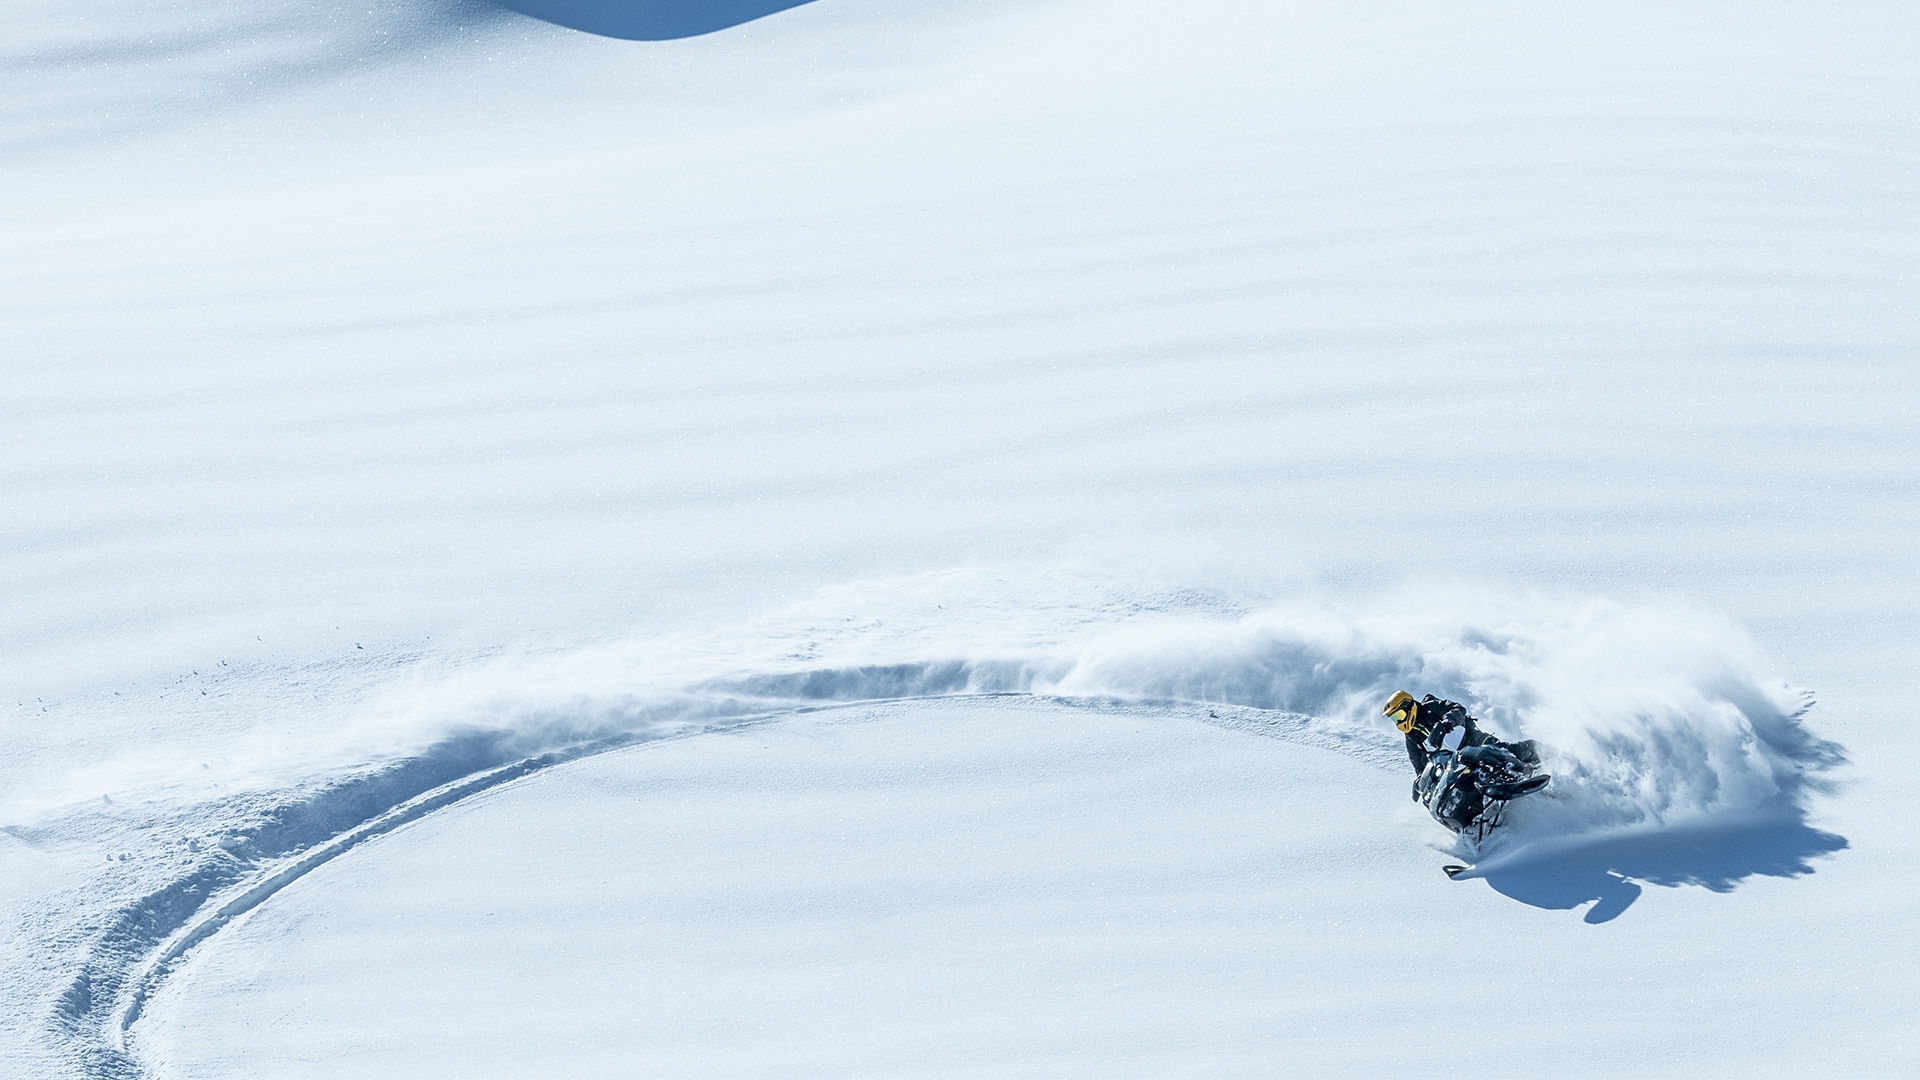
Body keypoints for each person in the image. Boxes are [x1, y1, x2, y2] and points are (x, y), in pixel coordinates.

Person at [1382, 690, 1540, 774]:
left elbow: (1457, 709)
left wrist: (1445, 723)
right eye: (1395, 719)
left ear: (1409, 706)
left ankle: (1541, 754)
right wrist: (1419, 782)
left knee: (1507, 751)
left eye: (1399, 715)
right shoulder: (1412, 739)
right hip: (1457, 763)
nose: (1399, 721)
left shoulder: (1430, 707)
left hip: (1473, 740)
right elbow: (1418, 766)